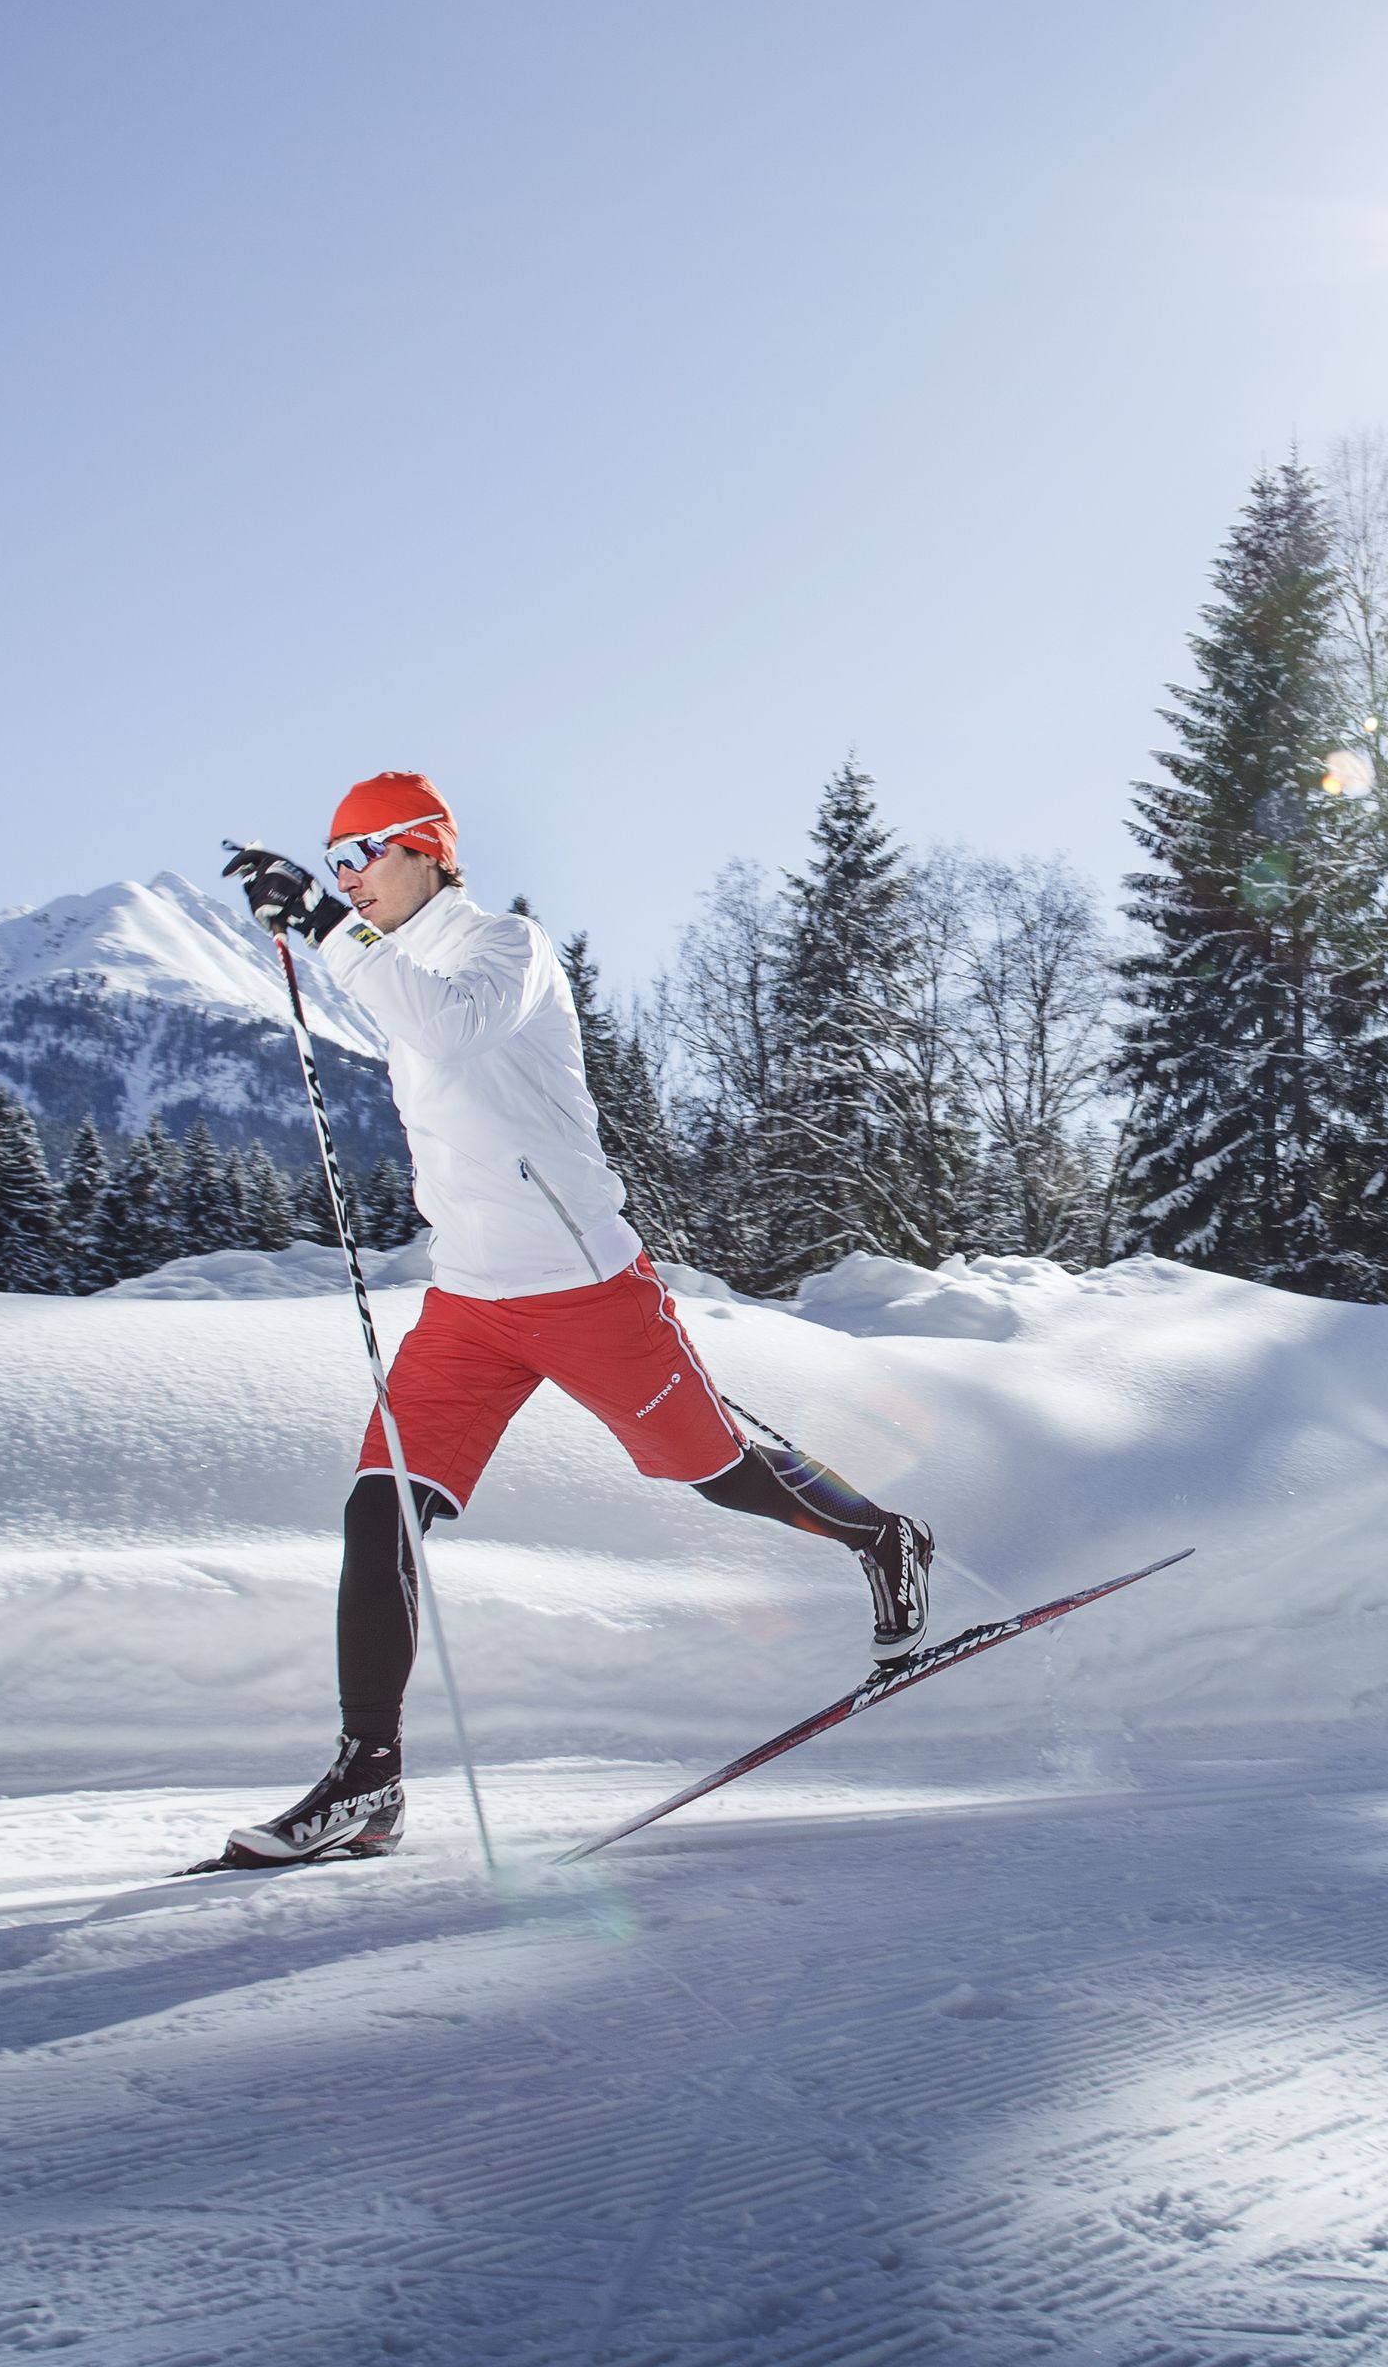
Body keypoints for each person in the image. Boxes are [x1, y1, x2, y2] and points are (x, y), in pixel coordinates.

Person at [209, 772, 936, 1864]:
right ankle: (369, 1776)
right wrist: (319, 934)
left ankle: (884, 1536)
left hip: (585, 1288)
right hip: (468, 1303)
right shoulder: (390, 968)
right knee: (379, 1510)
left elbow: (448, 1032)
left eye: (364, 851)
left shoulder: (504, 950)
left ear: (430, 852)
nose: (348, 874)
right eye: (334, 858)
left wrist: (318, 923)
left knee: (716, 1470)